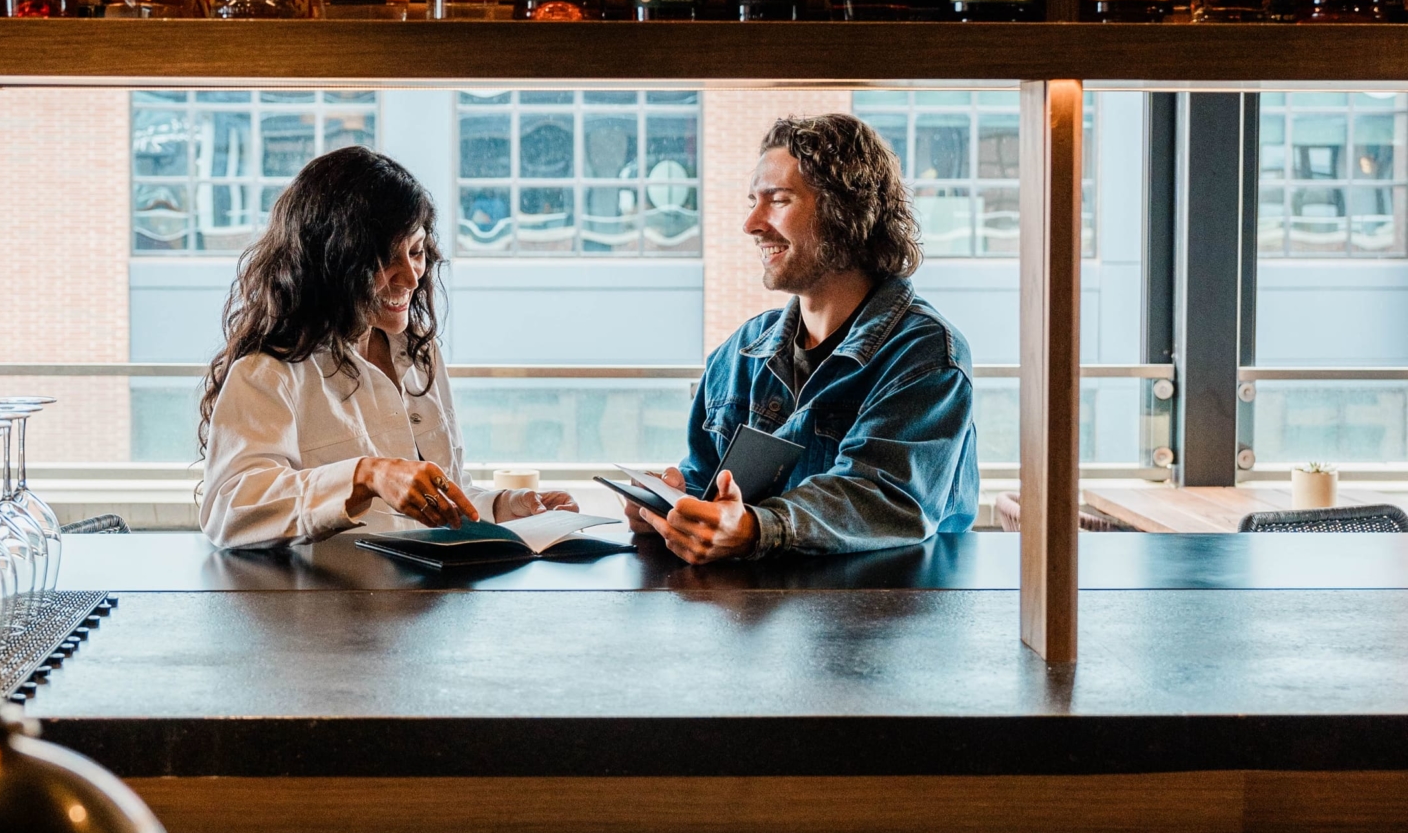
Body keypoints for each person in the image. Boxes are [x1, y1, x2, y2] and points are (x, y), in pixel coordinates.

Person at [626, 113, 978, 564]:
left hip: (884, 619)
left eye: (777, 200)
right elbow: (707, 482)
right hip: (754, 623)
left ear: (845, 212)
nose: (751, 223)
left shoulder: (925, 355)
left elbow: (882, 496)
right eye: (753, 200)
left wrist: (756, 528)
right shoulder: (741, 351)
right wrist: (669, 508)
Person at [199, 146, 577, 550]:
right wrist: (365, 476)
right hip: (324, 608)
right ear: (331, 263)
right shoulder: (268, 372)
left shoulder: (418, 355)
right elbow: (230, 509)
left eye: (416, 252)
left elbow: (435, 502)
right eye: (383, 260)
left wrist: (503, 507)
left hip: (425, 606)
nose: (412, 278)